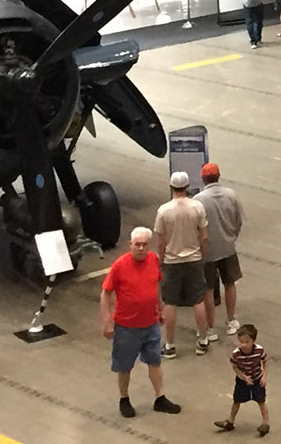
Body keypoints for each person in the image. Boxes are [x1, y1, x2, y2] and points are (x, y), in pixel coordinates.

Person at [99, 228, 180, 417]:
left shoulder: (153, 260)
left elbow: (155, 286)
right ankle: (124, 399)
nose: (141, 248)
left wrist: (159, 310)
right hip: (126, 327)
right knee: (124, 365)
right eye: (137, 245)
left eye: (144, 244)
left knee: (155, 362)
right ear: (130, 245)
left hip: (150, 324)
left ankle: (160, 397)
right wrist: (107, 321)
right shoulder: (120, 266)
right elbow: (105, 293)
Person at [153, 171, 209, 357]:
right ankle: (202, 340)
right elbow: (204, 236)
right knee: (198, 300)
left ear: (171, 187)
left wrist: (162, 261)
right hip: (194, 258)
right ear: (187, 187)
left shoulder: (164, 211)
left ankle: (170, 345)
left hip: (172, 261)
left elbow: (160, 241)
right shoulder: (197, 207)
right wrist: (202, 254)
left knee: (169, 302)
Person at [195, 161, 244, 344]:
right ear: (219, 176)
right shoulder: (231, 195)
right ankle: (231, 321)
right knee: (230, 283)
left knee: (208, 288)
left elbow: (197, 226)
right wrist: (231, 237)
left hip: (207, 251)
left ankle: (210, 328)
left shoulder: (199, 200)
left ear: (203, 178)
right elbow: (239, 220)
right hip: (228, 246)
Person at [214, 323, 268, 437]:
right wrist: (243, 377)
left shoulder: (259, 350)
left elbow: (265, 361)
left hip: (257, 379)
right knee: (237, 400)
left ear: (253, 340)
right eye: (241, 342)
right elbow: (235, 367)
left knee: (261, 401)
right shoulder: (236, 354)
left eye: (247, 342)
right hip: (243, 380)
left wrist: (264, 375)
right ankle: (230, 421)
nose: (243, 345)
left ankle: (265, 423)